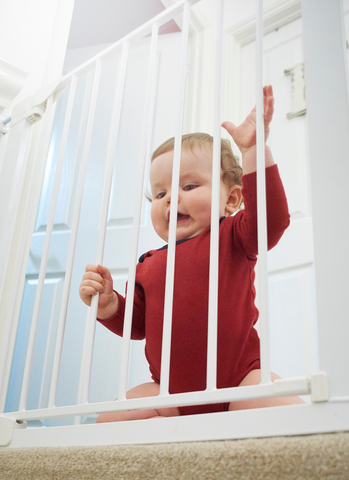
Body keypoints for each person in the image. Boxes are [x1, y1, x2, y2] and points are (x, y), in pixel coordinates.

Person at [79, 86, 304, 422]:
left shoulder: (234, 236)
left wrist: (254, 151)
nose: (171, 198)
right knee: (110, 419)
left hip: (239, 383)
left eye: (188, 186)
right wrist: (110, 305)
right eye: (160, 192)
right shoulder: (149, 264)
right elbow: (137, 325)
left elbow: (272, 220)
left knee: (281, 407)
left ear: (231, 200)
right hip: (169, 393)